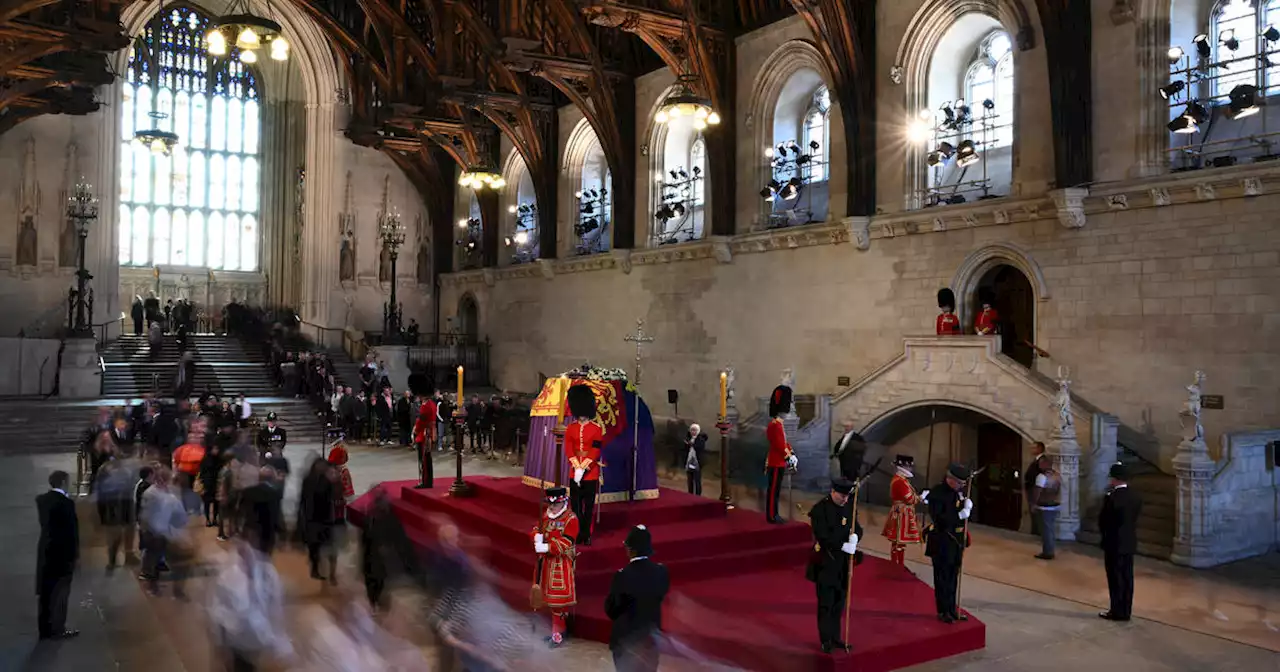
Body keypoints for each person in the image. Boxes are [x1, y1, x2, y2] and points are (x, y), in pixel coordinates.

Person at [806, 478, 862, 654]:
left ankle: (836, 636)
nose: (845, 500)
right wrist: (842, 545)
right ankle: (825, 639)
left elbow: (857, 527)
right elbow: (822, 536)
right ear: (833, 492)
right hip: (827, 562)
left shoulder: (848, 506)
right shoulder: (820, 510)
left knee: (839, 602)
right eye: (842, 496)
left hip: (843, 564)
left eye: (847, 496)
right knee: (826, 603)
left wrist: (856, 538)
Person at [605, 525, 670, 672]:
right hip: (650, 640)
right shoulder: (662, 572)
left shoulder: (622, 576)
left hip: (627, 642)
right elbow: (662, 593)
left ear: (630, 550)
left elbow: (611, 609)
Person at [924, 463, 973, 624]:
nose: (961, 486)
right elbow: (940, 518)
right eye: (960, 483)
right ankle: (943, 610)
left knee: (953, 577)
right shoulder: (938, 493)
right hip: (942, 541)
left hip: (955, 542)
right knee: (942, 578)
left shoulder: (957, 493)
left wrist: (966, 509)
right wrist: (960, 514)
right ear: (950, 479)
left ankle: (952, 609)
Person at [531, 486, 579, 647]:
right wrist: (535, 537)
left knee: (557, 602)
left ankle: (558, 634)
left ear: (563, 502)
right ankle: (558, 631)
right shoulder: (546, 515)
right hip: (544, 564)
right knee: (547, 599)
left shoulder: (571, 519)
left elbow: (567, 542)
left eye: (554, 505)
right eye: (550, 504)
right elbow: (537, 528)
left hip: (559, 564)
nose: (551, 508)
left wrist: (547, 547)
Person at [36, 470, 79, 640]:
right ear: (63, 482)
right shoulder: (66, 503)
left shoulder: (42, 500)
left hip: (46, 551)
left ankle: (45, 629)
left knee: (46, 593)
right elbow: (71, 532)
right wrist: (75, 554)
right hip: (62, 554)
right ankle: (58, 628)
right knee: (60, 593)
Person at [1099, 462, 1141, 622]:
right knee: (1127, 577)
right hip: (1129, 541)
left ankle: (1116, 610)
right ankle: (1126, 610)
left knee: (1115, 578)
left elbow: (1104, 520)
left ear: (1114, 479)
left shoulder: (1112, 498)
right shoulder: (1135, 496)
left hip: (1114, 543)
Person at [565, 384, 603, 545]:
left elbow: (595, 451)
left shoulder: (596, 429)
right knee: (575, 506)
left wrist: (584, 467)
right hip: (574, 471)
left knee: (588, 507)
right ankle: (577, 532)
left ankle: (586, 533)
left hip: (590, 472)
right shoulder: (571, 428)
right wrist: (576, 466)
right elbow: (568, 448)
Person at [882, 455, 925, 568]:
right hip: (901, 514)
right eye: (909, 466)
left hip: (901, 512)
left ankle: (898, 564)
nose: (911, 469)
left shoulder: (901, 479)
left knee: (899, 543)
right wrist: (920, 498)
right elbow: (910, 499)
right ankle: (897, 565)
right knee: (898, 542)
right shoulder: (900, 481)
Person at [764, 385, 796, 524]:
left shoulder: (778, 424)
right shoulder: (775, 425)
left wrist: (792, 453)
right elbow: (778, 445)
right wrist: (788, 456)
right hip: (776, 462)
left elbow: (784, 443)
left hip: (779, 461)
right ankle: (771, 515)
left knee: (776, 491)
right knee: (773, 491)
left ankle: (774, 513)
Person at [1031, 453, 1061, 560]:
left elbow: (1037, 491)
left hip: (1044, 506)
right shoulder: (1057, 475)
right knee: (1051, 529)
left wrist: (1033, 504)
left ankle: (1048, 552)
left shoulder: (1041, 476)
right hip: (1055, 505)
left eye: (1041, 463)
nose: (1039, 465)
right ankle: (1050, 549)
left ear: (1045, 464)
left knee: (1046, 530)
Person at [410, 375, 436, 488]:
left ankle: (425, 482)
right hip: (430, 433)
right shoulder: (432, 404)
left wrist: (415, 430)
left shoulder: (425, 406)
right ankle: (428, 481)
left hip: (424, 434)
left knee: (423, 460)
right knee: (427, 459)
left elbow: (421, 421)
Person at [1024, 441, 1046, 536]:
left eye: (1034, 448)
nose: (1031, 450)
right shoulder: (1036, 460)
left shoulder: (1042, 460)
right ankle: (1034, 532)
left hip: (1036, 490)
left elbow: (1042, 475)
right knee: (1033, 514)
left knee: (1036, 514)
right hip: (1031, 489)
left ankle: (1037, 534)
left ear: (1039, 449)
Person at [684, 424, 707, 496]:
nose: (693, 432)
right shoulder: (688, 438)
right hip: (689, 462)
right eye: (692, 430)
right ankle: (690, 494)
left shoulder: (701, 439)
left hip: (697, 462)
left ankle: (698, 495)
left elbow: (700, 448)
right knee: (690, 480)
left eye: (695, 430)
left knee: (697, 480)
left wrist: (692, 444)